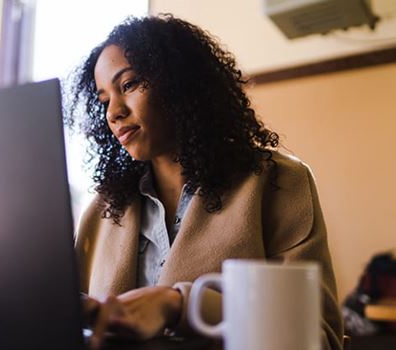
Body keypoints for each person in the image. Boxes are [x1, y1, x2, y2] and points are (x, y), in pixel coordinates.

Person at [67, 14, 343, 350]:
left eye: (128, 85)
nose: (114, 113)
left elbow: (319, 338)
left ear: (179, 82)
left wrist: (181, 305)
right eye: (105, 100)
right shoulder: (102, 209)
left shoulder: (278, 183)